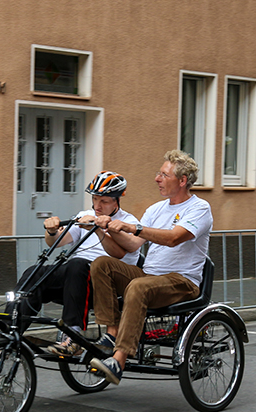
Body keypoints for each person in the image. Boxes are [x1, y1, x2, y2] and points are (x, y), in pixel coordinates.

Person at [0, 171, 141, 354]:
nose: (97, 205)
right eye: (95, 199)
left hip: (105, 285)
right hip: (76, 279)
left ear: (117, 199)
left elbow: (121, 253)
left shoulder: (128, 222)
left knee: (77, 264)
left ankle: (72, 336)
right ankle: (7, 329)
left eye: (104, 201)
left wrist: (99, 229)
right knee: (34, 272)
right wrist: (51, 231)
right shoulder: (85, 215)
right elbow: (57, 241)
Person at [87, 150, 212, 385]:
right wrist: (108, 228)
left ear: (182, 181)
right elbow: (134, 245)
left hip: (182, 281)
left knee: (138, 286)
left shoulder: (199, 208)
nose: (157, 179)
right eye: (159, 173)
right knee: (102, 264)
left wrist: (131, 227)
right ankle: (111, 333)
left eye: (164, 175)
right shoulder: (155, 209)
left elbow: (174, 238)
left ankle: (119, 360)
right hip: (150, 276)